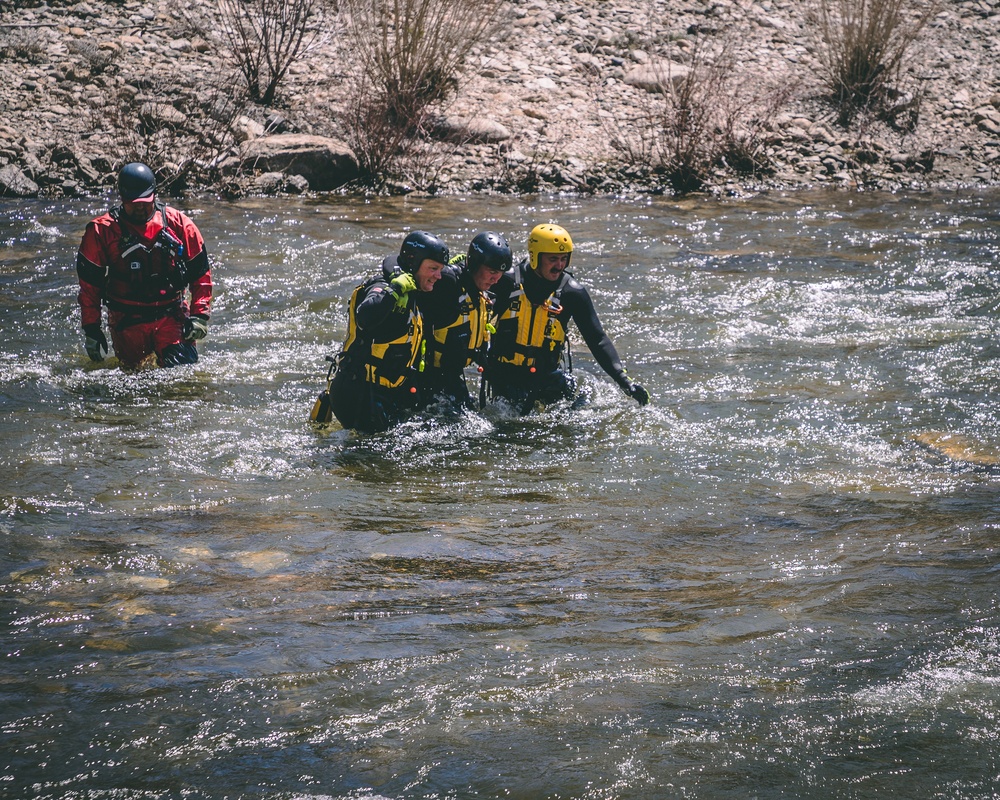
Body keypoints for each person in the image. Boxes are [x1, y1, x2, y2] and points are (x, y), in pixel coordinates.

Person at [484, 223, 650, 413]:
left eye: (564, 259)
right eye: (553, 259)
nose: (559, 266)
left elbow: (597, 340)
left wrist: (624, 381)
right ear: (535, 256)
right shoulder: (505, 282)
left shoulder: (572, 292)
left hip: (547, 378)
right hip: (506, 376)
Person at [76, 162, 212, 369]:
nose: (140, 207)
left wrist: (199, 316)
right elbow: (89, 287)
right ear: (122, 198)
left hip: (171, 316)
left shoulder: (180, 224)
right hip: (126, 321)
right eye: (134, 202)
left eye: (145, 201)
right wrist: (92, 330)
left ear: (155, 195)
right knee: (133, 383)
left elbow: (200, 273)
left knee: (181, 376)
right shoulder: (100, 232)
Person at [322, 231, 448, 433]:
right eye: (433, 269)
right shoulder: (384, 285)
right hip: (359, 392)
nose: (438, 276)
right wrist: (394, 291)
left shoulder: (414, 289)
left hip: (386, 392)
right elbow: (365, 316)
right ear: (412, 263)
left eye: (441, 270)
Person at [418, 231, 513, 410]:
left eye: (500, 273)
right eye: (492, 272)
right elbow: (403, 266)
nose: (496, 279)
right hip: (429, 379)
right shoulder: (447, 283)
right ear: (475, 264)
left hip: (454, 377)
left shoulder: (492, 286)